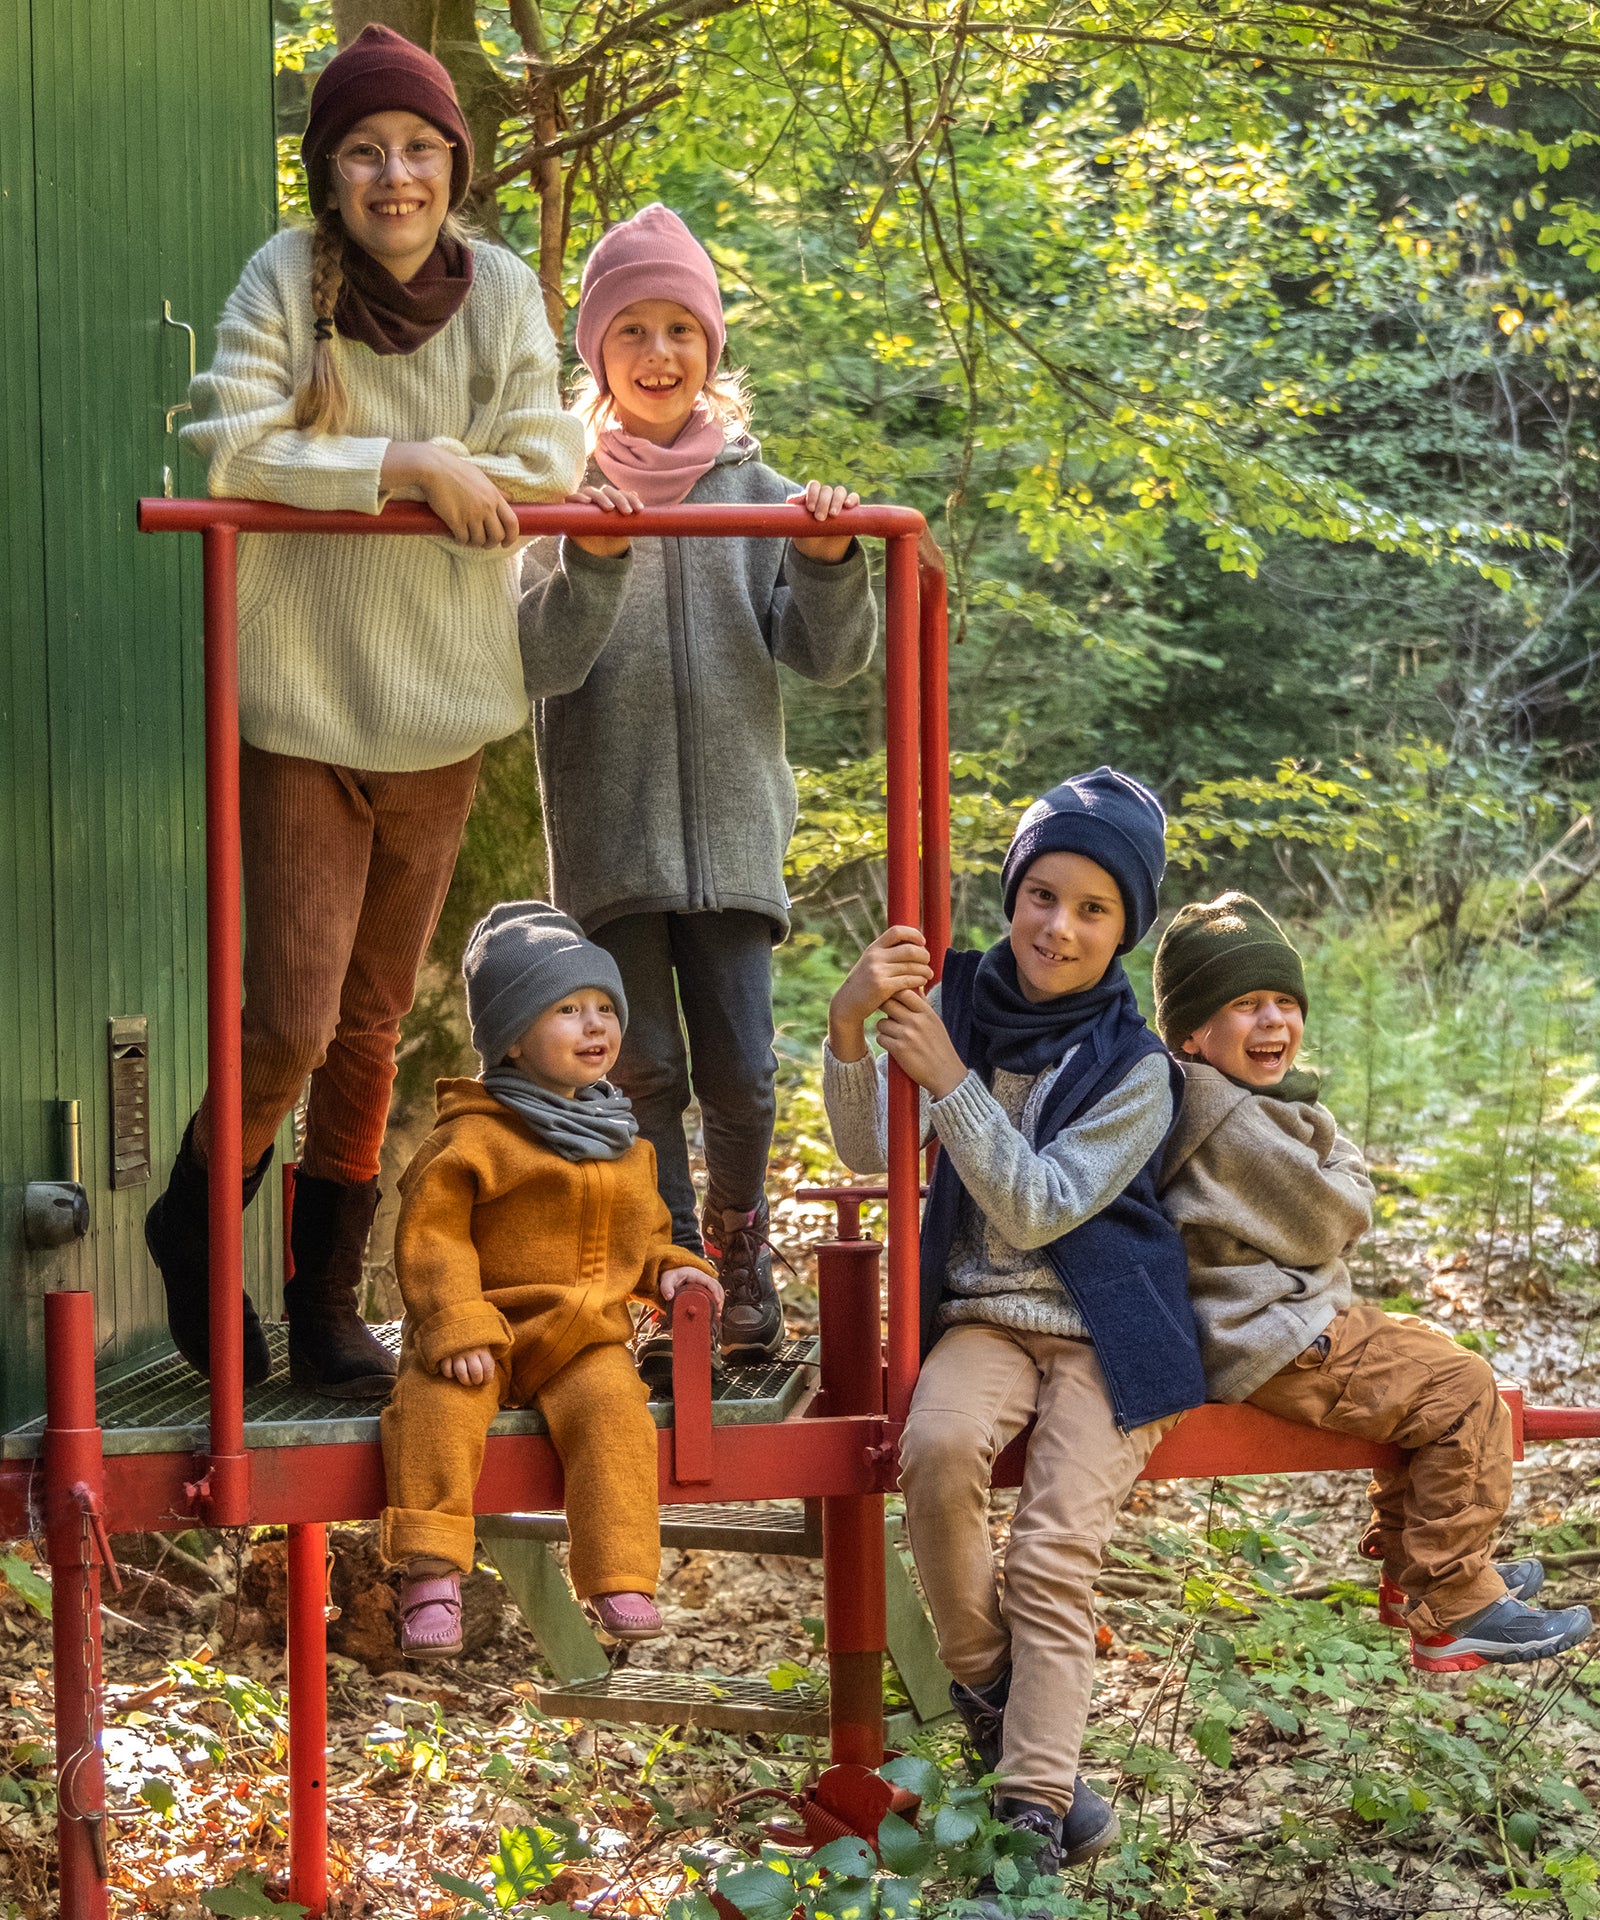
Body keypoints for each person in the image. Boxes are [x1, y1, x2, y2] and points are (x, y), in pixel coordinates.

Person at [146, 26, 586, 1398]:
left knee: (376, 1022)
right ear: (329, 174)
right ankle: (194, 1225)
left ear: (453, 163)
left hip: (444, 708)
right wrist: (404, 461)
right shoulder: (287, 280)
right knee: (289, 1017)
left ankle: (326, 1301)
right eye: (363, 153)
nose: (393, 176)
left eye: (417, 150)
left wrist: (447, 471)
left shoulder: (504, 290)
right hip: (304, 700)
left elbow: (544, 453)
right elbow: (234, 440)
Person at [824, 769, 1207, 1887]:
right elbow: (866, 1151)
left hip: (1107, 1324)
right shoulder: (948, 998)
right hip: (988, 1314)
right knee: (933, 1452)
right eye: (1044, 895)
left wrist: (950, 1080)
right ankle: (991, 1688)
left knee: (1051, 1549)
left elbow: (1037, 1201)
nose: (1060, 927)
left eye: (1093, 911)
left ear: (1124, 928)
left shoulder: (1139, 1067)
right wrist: (852, 1026)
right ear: (1013, 892)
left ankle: (1034, 1805)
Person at [517, 204, 877, 1381]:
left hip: (731, 839)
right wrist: (592, 561)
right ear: (598, 355)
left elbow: (822, 656)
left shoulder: (756, 490)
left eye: (682, 330)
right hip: (612, 837)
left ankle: (740, 1248)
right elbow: (540, 660)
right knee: (645, 1066)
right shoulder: (557, 493)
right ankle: (677, 1270)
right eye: (635, 332)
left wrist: (825, 563)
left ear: (710, 352)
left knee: (740, 1066)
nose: (660, 355)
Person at [1154, 890, 1593, 1670]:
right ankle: (1452, 1601)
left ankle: (1411, 1565)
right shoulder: (1227, 1116)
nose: (1273, 1022)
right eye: (1245, 1004)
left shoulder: (1243, 1102)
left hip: (1273, 1320)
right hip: (1272, 1335)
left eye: (1286, 1002)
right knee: (1460, 1390)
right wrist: (1341, 1177)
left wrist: (1335, 1171)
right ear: (1191, 1031)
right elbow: (1339, 1213)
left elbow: (1334, 1185)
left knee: (1424, 1352)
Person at [380, 901, 720, 1655]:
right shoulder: (474, 1137)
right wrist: (455, 1322)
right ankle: (431, 1568)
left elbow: (646, 1237)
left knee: (615, 1413)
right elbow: (432, 1236)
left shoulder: (620, 1144)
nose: (595, 1025)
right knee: (436, 1407)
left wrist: (675, 1273)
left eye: (605, 1007)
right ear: (510, 1040)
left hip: (581, 1342)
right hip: (486, 1330)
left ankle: (617, 1573)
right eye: (566, 1009)